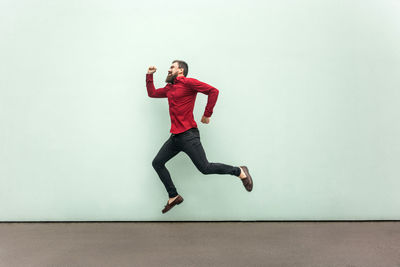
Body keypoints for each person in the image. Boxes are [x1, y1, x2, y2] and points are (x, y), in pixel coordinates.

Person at [146, 60, 253, 214]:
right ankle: (173, 196)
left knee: (205, 168)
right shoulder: (169, 89)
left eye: (172, 67)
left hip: (189, 135)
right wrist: (149, 75)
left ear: (181, 70)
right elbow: (152, 93)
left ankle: (239, 171)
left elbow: (213, 91)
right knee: (157, 163)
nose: (169, 70)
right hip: (175, 138)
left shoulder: (189, 83)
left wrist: (207, 114)